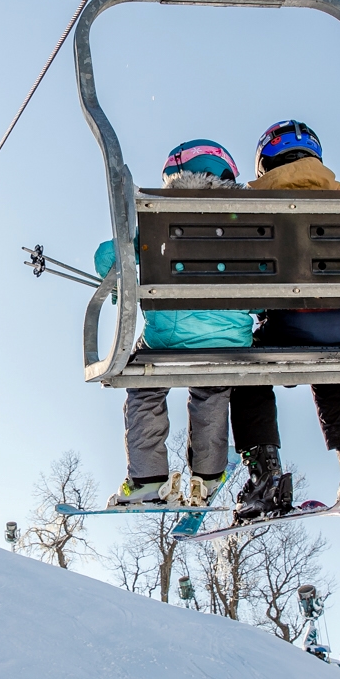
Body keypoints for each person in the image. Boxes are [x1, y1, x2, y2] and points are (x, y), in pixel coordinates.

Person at [228, 120, 340, 522]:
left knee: (247, 371)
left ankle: (265, 477)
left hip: (294, 322)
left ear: (265, 161)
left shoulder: (250, 203)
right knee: (334, 365)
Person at [94, 139, 253, 508]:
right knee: (212, 392)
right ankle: (208, 476)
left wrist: (117, 276)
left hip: (167, 339)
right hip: (230, 342)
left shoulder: (157, 215)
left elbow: (109, 256)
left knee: (145, 389)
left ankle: (148, 479)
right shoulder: (248, 215)